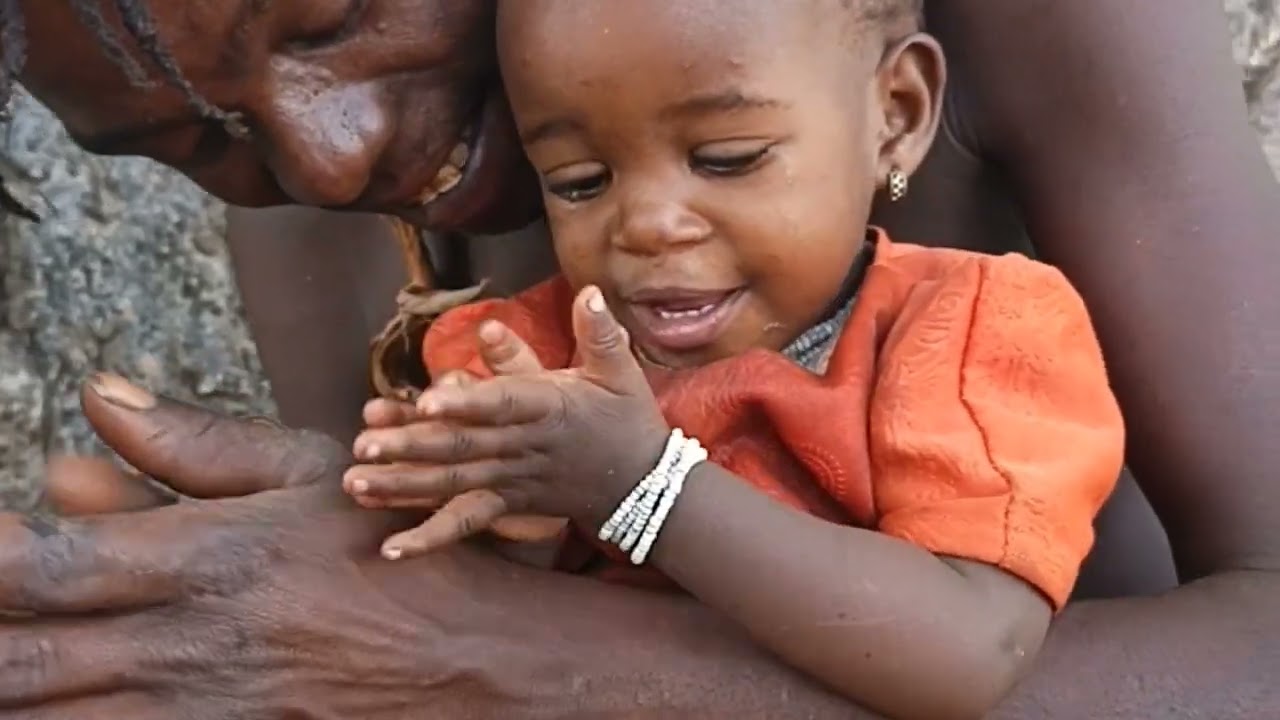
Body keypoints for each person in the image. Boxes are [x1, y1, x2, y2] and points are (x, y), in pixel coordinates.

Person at [0, 0, 1275, 717]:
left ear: (897, 112)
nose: (321, 159)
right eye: (197, 140)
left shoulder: (975, 241)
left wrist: (498, 659)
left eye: (334, 18)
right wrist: (293, 570)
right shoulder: (315, 177)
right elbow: (421, 618)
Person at [339, 5, 1124, 716]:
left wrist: (641, 485)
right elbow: (454, 647)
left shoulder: (968, 334)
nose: (646, 225)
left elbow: (971, 653)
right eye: (579, 181)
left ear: (895, 113)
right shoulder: (536, 364)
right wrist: (515, 516)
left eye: (726, 157)